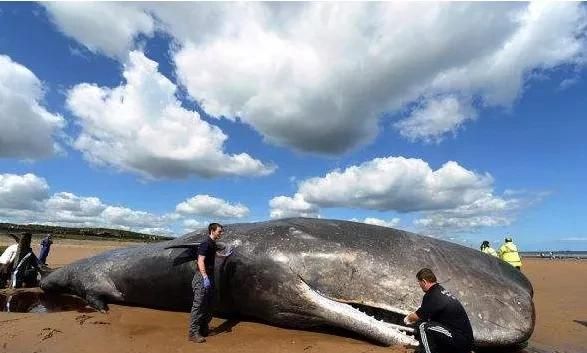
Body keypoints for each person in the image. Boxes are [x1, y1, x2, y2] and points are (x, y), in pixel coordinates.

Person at [403, 268, 473, 353]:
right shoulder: (440, 290)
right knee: (430, 326)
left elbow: (417, 316)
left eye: (419, 282)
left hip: (460, 340)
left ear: (424, 281)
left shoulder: (433, 295)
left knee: (423, 327)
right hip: (463, 339)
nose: (419, 285)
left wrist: (406, 319)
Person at [189, 223, 232, 343]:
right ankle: (193, 333)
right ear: (212, 231)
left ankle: (203, 328)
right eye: (219, 231)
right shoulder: (205, 243)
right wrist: (204, 277)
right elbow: (200, 260)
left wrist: (223, 255)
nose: (221, 233)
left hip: (210, 277)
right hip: (202, 277)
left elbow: (212, 254)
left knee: (210, 303)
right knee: (199, 305)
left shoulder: (212, 244)